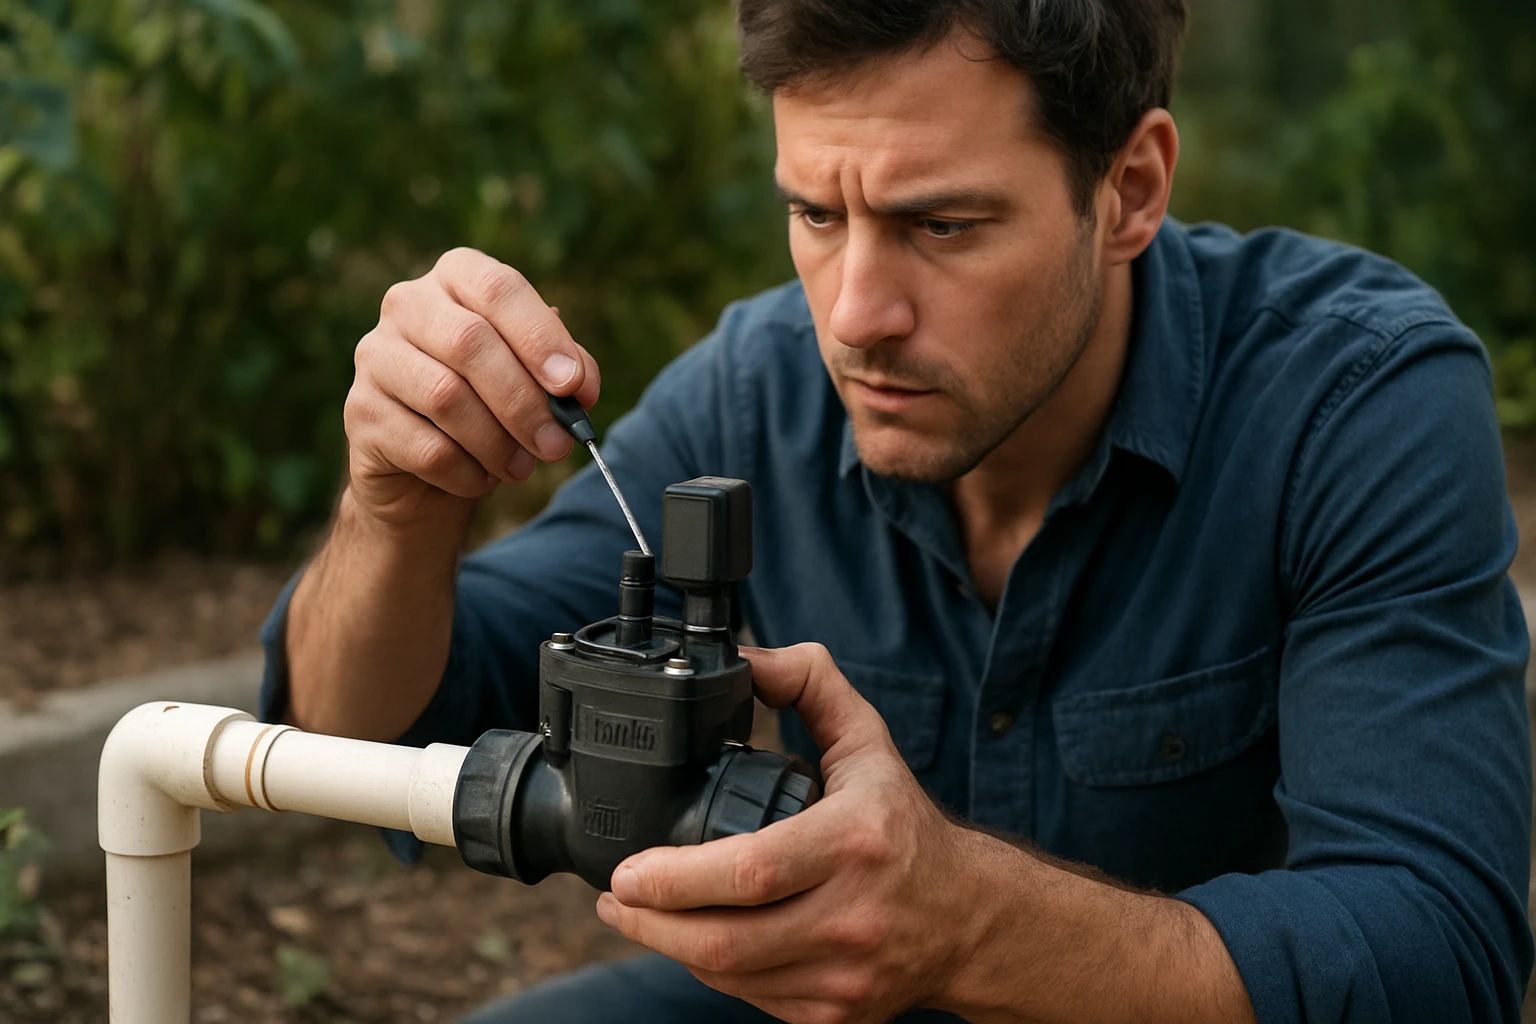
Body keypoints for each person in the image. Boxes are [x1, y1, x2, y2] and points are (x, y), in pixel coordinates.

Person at [257, 1, 1534, 1021]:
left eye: (943, 223)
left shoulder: (1352, 403)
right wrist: (396, 509)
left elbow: (1438, 953)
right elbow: (360, 733)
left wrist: (967, 919)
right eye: (816, 213)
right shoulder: (750, 393)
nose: (856, 314)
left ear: (1131, 189)